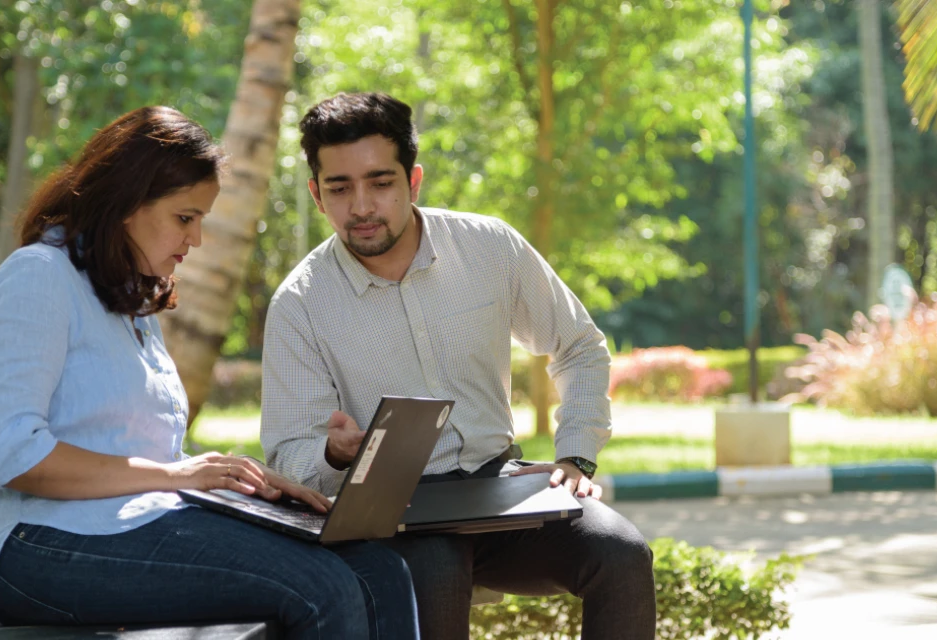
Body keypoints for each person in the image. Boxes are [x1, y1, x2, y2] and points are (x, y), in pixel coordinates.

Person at [0, 105, 420, 639]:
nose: (195, 240)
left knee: (376, 567)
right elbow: (10, 454)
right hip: (31, 547)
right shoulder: (37, 279)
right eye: (185, 218)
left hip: (130, 521)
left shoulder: (125, 297)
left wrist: (230, 479)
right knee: (321, 587)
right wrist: (178, 475)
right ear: (127, 202)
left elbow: (132, 451)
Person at [260, 92, 656, 639]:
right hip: (395, 507)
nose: (362, 206)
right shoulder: (301, 304)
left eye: (381, 182)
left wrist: (576, 456)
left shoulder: (489, 248)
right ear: (316, 194)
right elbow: (286, 454)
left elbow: (580, 347)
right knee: (436, 575)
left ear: (413, 181)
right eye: (340, 188)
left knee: (623, 556)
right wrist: (333, 450)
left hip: (502, 485)